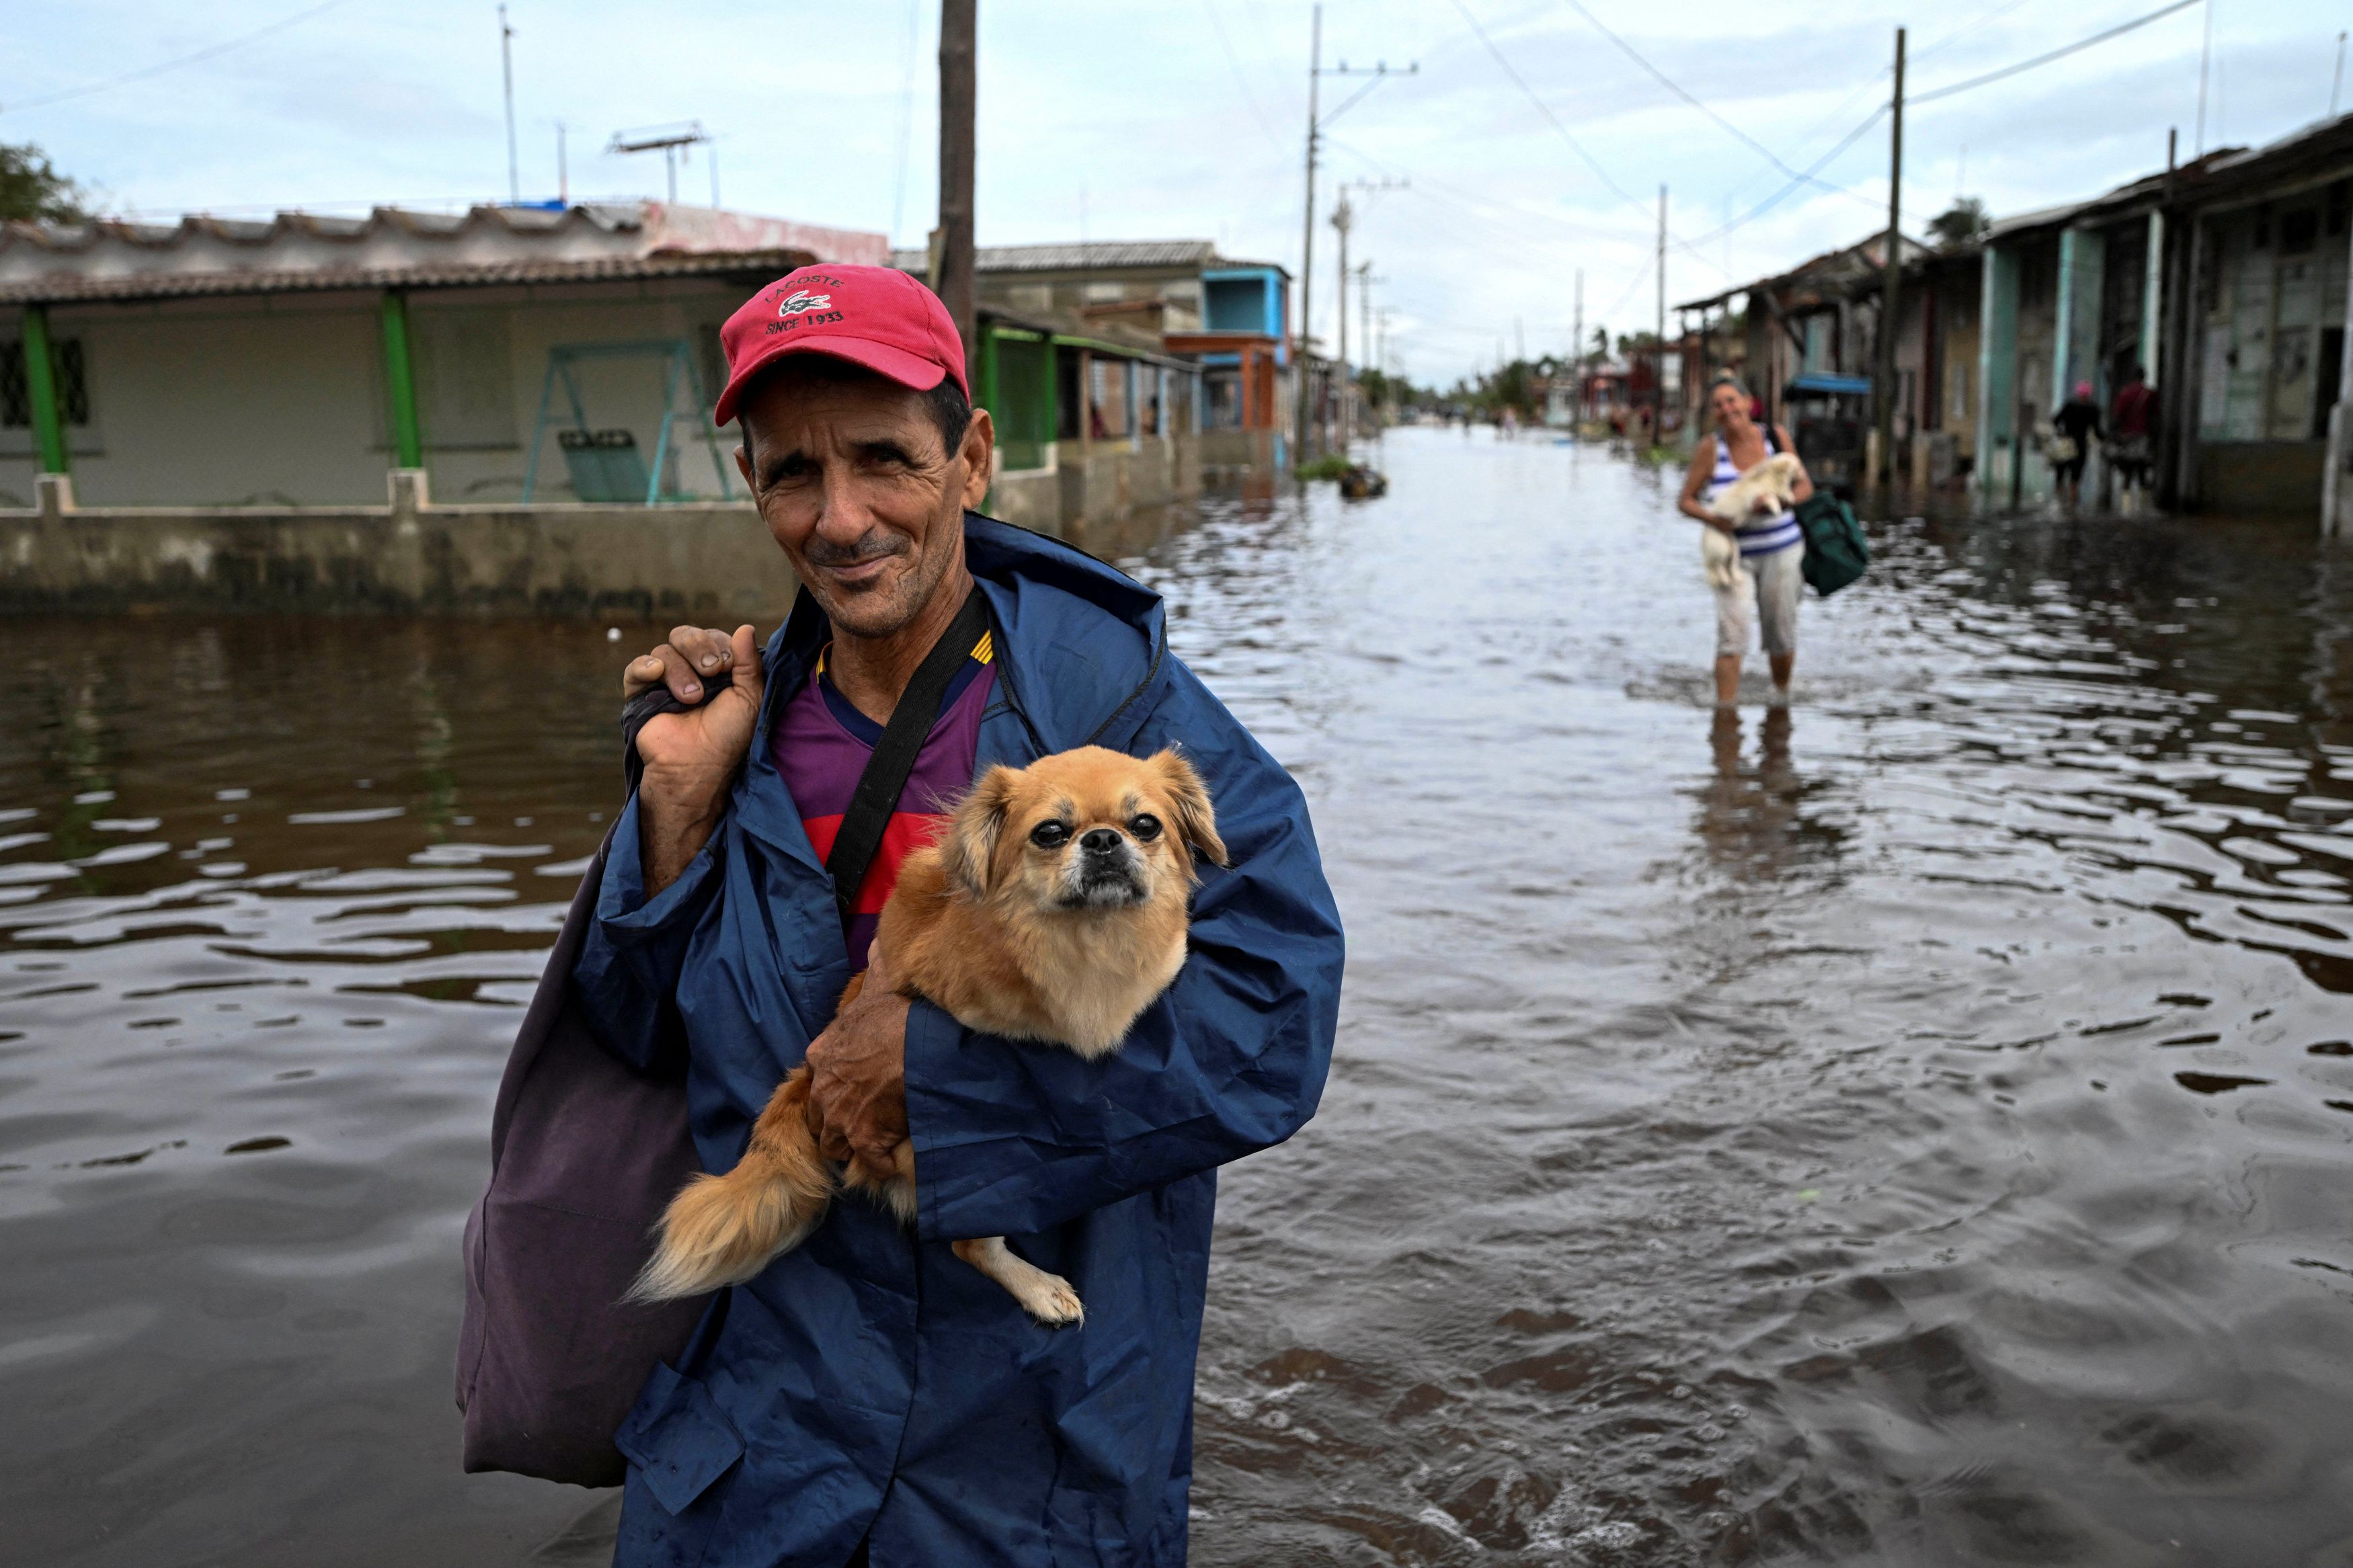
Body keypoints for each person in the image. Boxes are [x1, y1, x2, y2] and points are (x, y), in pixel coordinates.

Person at [574, 263, 1345, 1567]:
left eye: (886, 459)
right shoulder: (731, 737)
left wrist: (938, 1078)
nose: (840, 517)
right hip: (766, 1433)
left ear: (972, 456)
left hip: (1038, 1439)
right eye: (789, 474)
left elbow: (1277, 1013)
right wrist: (673, 803)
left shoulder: (1123, 710)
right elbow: (631, 1032)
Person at [1677, 373, 1816, 708]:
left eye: (1731, 401)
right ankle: (1725, 715)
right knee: (1731, 637)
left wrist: (1782, 502)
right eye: (1718, 405)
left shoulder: (1775, 437)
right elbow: (1686, 500)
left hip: (1781, 551)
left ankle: (1780, 700)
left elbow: (1804, 486)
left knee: (1781, 634)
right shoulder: (1711, 449)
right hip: (1733, 555)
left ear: (1748, 402)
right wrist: (1716, 519)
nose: (1726, 409)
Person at [2110, 366, 2157, 514]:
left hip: (2127, 437)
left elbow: (2118, 414)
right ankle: (2143, 508)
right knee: (2143, 471)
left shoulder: (2125, 393)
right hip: (2143, 436)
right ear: (2144, 377)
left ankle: (2126, 509)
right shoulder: (2149, 394)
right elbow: (2156, 414)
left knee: (2128, 473)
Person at [2052, 380, 2103, 511]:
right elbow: (2097, 430)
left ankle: (2061, 502)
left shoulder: (2070, 405)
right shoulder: (2093, 409)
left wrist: (2060, 433)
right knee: (2076, 475)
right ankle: (2071, 501)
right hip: (2080, 444)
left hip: (2066, 443)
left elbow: (2056, 420)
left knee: (2062, 473)